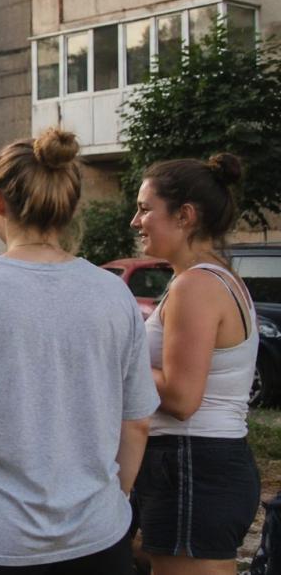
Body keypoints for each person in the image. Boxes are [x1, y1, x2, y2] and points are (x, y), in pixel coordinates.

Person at [0, 128, 159, 573]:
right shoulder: (112, 293)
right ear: (70, 205)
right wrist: (117, 499)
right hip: (96, 535)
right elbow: (136, 422)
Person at [130, 154, 260, 575]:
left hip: (192, 464)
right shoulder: (210, 277)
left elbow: (183, 398)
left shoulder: (196, 285)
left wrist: (117, 363)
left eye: (145, 208)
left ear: (185, 215)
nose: (135, 221)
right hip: (197, 464)